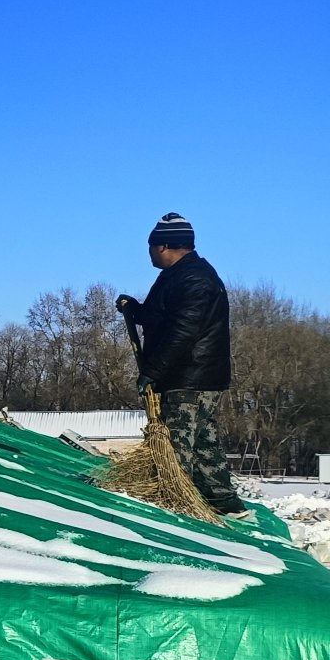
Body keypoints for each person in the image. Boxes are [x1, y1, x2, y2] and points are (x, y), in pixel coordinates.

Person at [116, 212, 244, 515]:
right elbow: (161, 317)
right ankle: (223, 501)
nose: (149, 253)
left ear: (163, 246)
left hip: (191, 377)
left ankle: (176, 506)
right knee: (203, 442)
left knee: (177, 446)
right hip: (191, 376)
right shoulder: (177, 275)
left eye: (150, 247)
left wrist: (152, 371)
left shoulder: (195, 279)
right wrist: (136, 310)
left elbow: (183, 332)